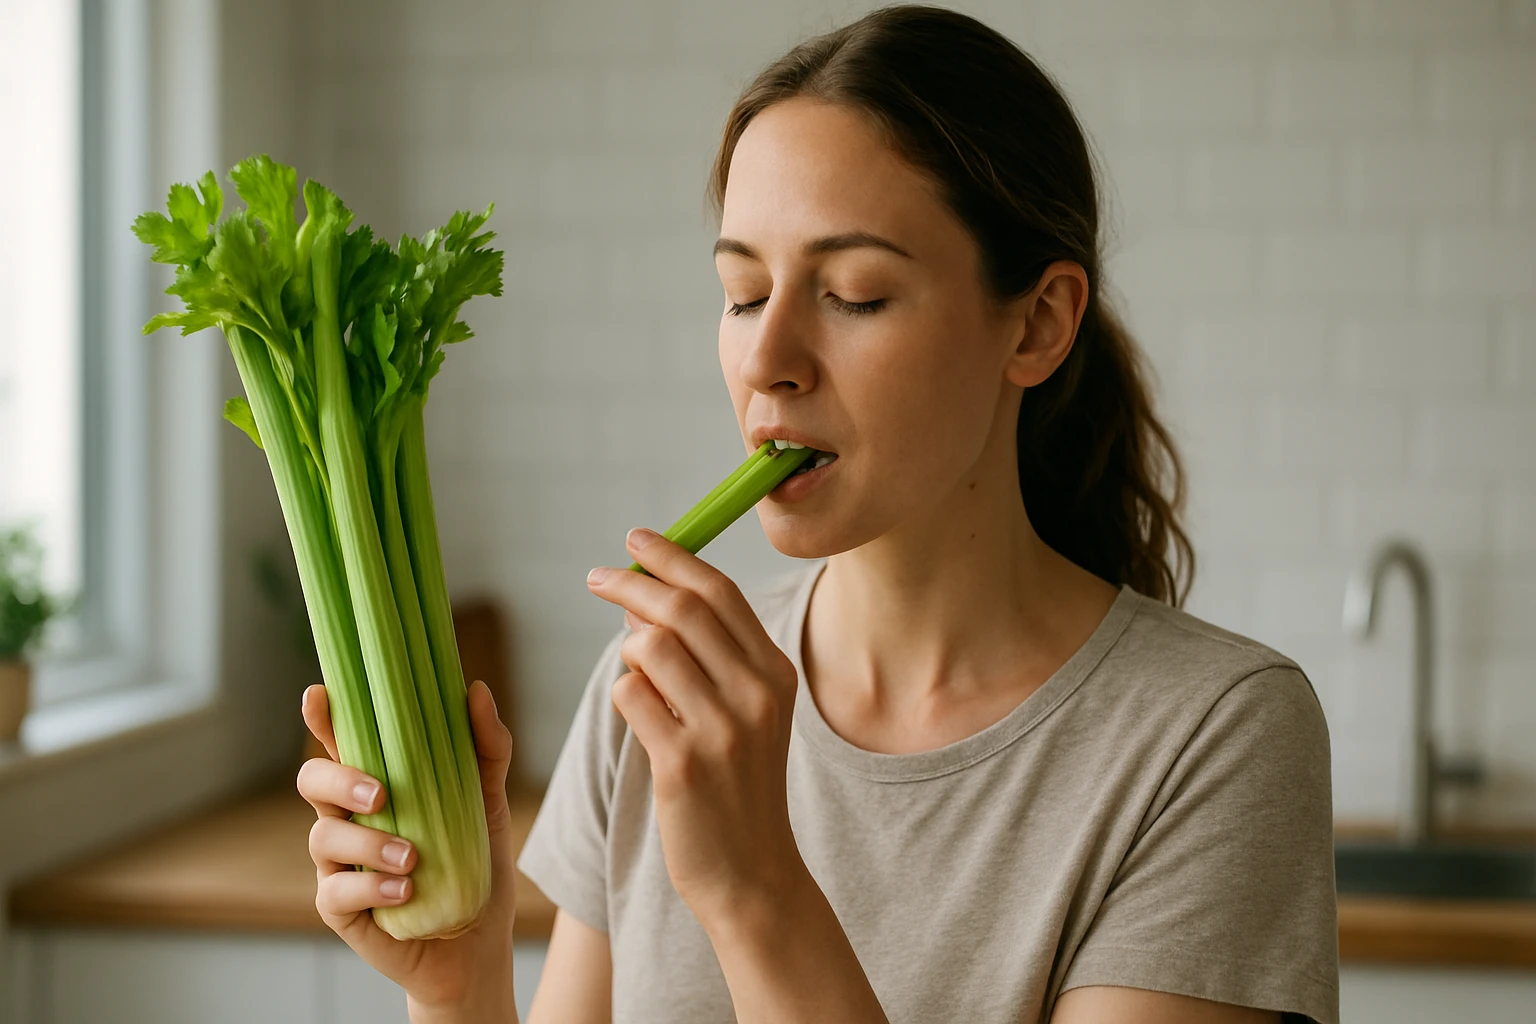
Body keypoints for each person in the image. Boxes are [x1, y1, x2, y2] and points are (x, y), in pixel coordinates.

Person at [296, 6, 1338, 1023]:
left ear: (1038, 323)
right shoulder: (653, 688)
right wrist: (460, 986)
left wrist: (754, 891)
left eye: (853, 294)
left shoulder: (1218, 736)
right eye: (744, 294)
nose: (766, 360)